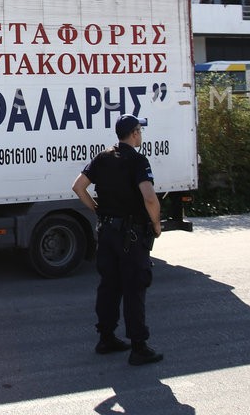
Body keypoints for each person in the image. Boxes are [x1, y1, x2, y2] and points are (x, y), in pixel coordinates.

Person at [72, 114, 163, 366]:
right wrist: (156, 224)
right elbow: (149, 197)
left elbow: (78, 187)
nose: (141, 135)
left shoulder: (102, 157)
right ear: (134, 133)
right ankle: (139, 347)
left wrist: (98, 210)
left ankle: (106, 337)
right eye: (139, 131)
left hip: (107, 233)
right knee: (134, 288)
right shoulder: (137, 160)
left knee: (109, 286)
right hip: (131, 235)